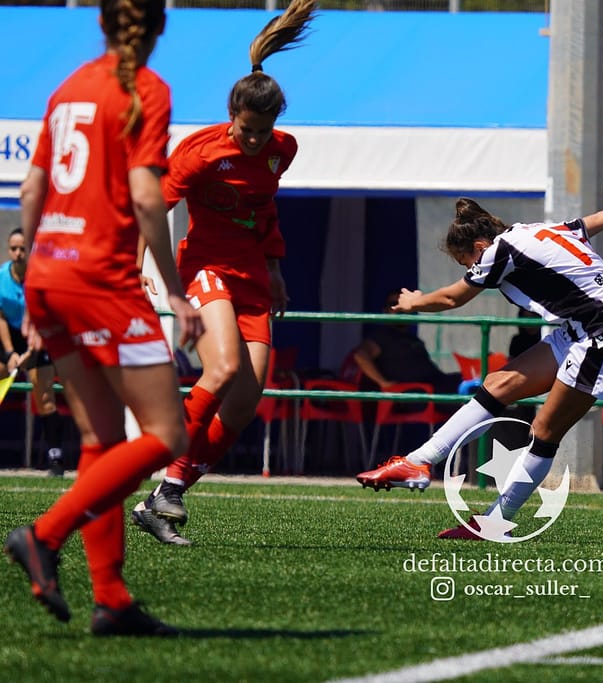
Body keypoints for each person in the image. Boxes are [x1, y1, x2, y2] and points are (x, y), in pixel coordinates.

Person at [3, 0, 203, 636]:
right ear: (160, 25)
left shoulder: (68, 88)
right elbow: (146, 196)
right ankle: (45, 534)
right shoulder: (146, 89)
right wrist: (176, 293)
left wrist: (37, 279)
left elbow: (31, 190)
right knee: (167, 435)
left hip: (49, 276)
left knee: (101, 442)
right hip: (101, 281)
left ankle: (111, 600)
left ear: (99, 22)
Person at [356, 196, 603, 539]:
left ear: (479, 246)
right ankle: (417, 462)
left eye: (467, 263)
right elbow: (599, 219)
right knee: (497, 384)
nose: (472, 270)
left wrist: (413, 303)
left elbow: (453, 298)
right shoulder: (537, 231)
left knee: (544, 430)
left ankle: (496, 521)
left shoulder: (500, 250)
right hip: (580, 330)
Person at [130, 0, 318, 547]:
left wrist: (275, 267)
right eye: (246, 129)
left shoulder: (283, 150)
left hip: (252, 275)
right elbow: (153, 208)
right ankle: (163, 472)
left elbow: (264, 211)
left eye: (264, 130)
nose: (254, 139)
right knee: (222, 367)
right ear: (231, 113)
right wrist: (140, 267)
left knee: (243, 402)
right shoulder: (200, 153)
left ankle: (165, 495)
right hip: (206, 266)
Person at [0, 227, 65, 476]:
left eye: (23, 249)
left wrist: (30, 351)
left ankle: (55, 457)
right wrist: (9, 354)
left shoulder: (42, 278)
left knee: (43, 391)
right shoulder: (1, 278)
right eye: (13, 248)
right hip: (10, 337)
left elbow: (44, 317)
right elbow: (0, 317)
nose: (18, 253)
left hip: (38, 336)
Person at [351, 289, 463, 396]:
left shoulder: (412, 338)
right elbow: (360, 355)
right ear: (385, 311)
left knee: (467, 381)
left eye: (402, 303)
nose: (399, 308)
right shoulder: (381, 336)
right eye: (394, 304)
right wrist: (384, 383)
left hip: (437, 383)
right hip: (416, 392)